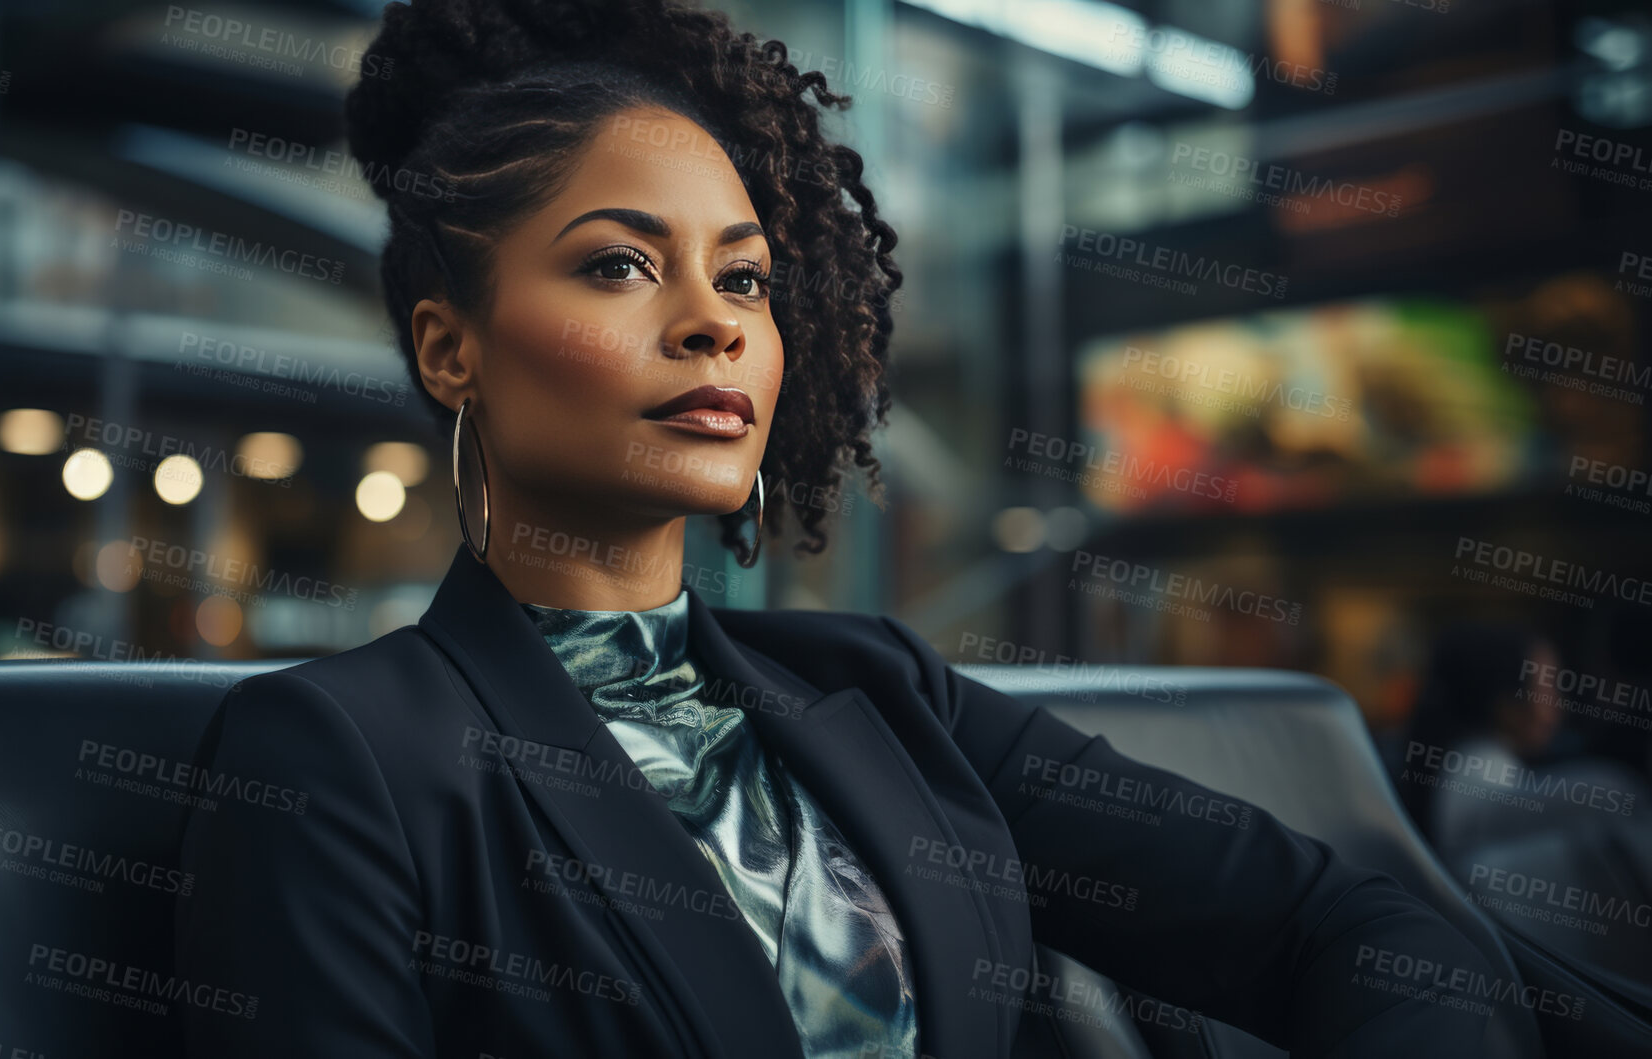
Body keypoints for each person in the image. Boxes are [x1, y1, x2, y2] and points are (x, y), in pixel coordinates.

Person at [172, 1, 1502, 1055]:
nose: (714, 322)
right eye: (619, 264)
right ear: (449, 349)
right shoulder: (333, 754)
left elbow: (1354, 932)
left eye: (742, 277)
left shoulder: (880, 694)